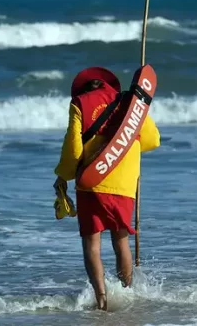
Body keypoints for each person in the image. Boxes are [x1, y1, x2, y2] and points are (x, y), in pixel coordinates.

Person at [53, 66, 161, 311]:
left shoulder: (79, 104)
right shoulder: (130, 102)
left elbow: (74, 150)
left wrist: (64, 175)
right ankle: (128, 293)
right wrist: (124, 151)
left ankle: (101, 297)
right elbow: (153, 139)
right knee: (121, 241)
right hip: (124, 182)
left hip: (93, 180)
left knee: (92, 244)